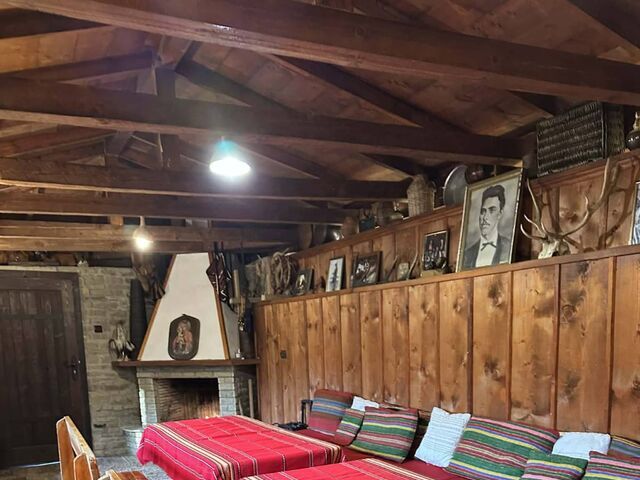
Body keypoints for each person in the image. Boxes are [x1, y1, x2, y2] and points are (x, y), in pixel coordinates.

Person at [463, 184, 511, 269]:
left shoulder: (508, 247)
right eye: (483, 211)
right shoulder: (467, 254)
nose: (485, 217)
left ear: (500, 214)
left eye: (492, 210)